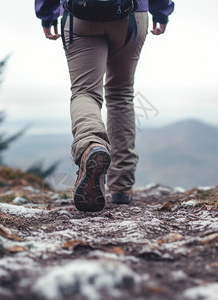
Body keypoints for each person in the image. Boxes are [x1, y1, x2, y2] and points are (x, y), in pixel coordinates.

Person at [35, 0, 175, 212]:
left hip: (80, 15)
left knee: (85, 91)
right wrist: (161, 11)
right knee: (121, 93)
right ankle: (121, 186)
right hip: (131, 14)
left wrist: (47, 14)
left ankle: (91, 144)